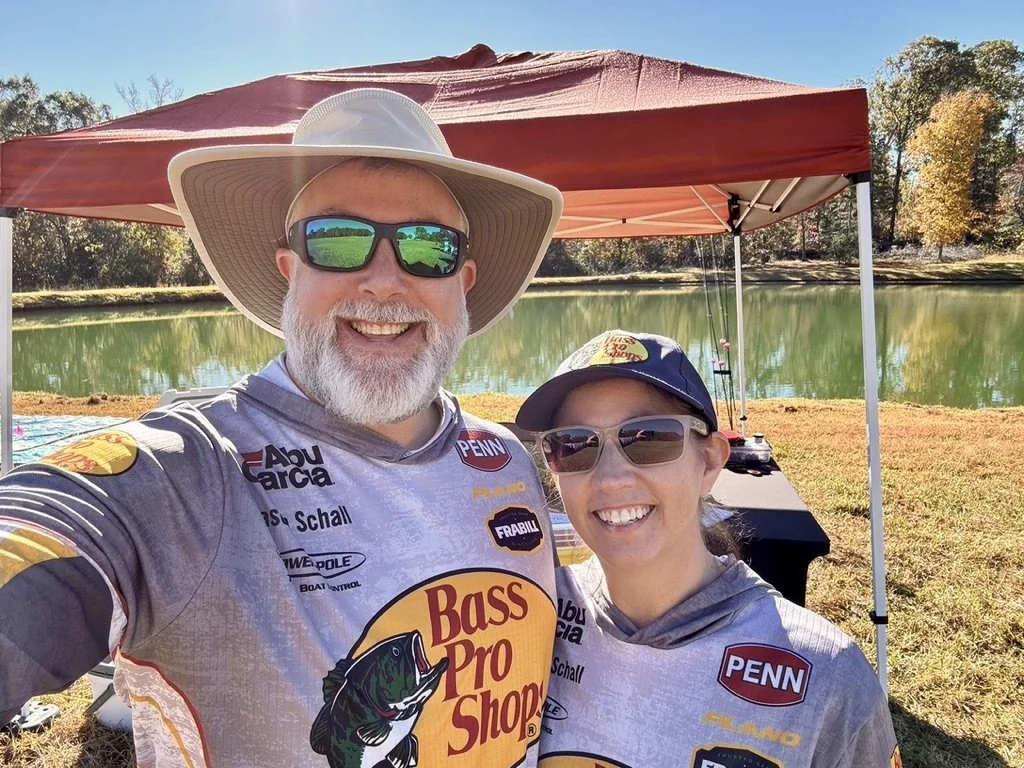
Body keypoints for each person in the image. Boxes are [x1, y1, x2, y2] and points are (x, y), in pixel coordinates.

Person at [0, 88, 564, 768]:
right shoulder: (186, 471)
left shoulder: (503, 460)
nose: (385, 280)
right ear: (288, 271)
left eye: (427, 246)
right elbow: (48, 534)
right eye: (338, 240)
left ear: (462, 281)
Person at [515, 330, 900, 768]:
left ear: (711, 461)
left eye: (648, 438)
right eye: (574, 445)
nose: (610, 479)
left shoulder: (828, 680)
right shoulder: (529, 619)